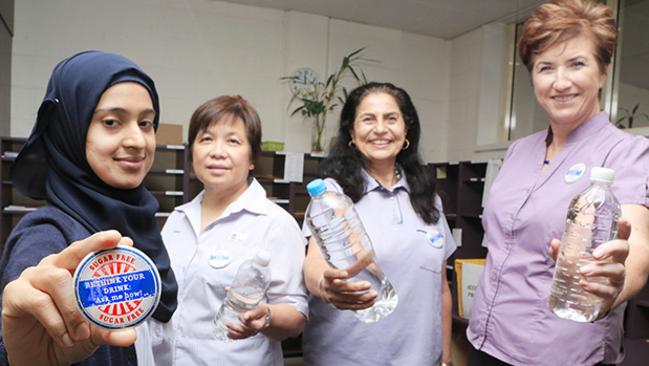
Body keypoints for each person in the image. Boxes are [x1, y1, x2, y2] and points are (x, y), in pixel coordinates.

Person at [467, 1, 649, 365]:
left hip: (558, 353)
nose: (560, 82)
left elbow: (637, 250)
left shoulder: (627, 152)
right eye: (545, 67)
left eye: (577, 64)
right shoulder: (518, 151)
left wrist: (609, 287)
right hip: (485, 340)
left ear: (602, 72)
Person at [0, 50, 178, 366]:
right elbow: (22, 335)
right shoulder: (46, 238)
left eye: (146, 122)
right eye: (111, 122)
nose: (138, 140)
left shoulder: (140, 225)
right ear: (70, 129)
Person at [138, 96, 308, 365]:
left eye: (233, 141)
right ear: (192, 151)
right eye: (206, 139)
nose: (217, 151)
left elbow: (296, 316)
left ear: (252, 158)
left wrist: (265, 317)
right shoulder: (178, 219)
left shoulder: (276, 223)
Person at [302, 82, 455, 365]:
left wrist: (445, 358)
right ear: (352, 133)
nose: (381, 129)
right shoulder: (333, 196)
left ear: (406, 130)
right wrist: (326, 285)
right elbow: (313, 265)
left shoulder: (428, 198)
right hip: (347, 358)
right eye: (368, 119)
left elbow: (441, 288)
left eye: (391, 118)